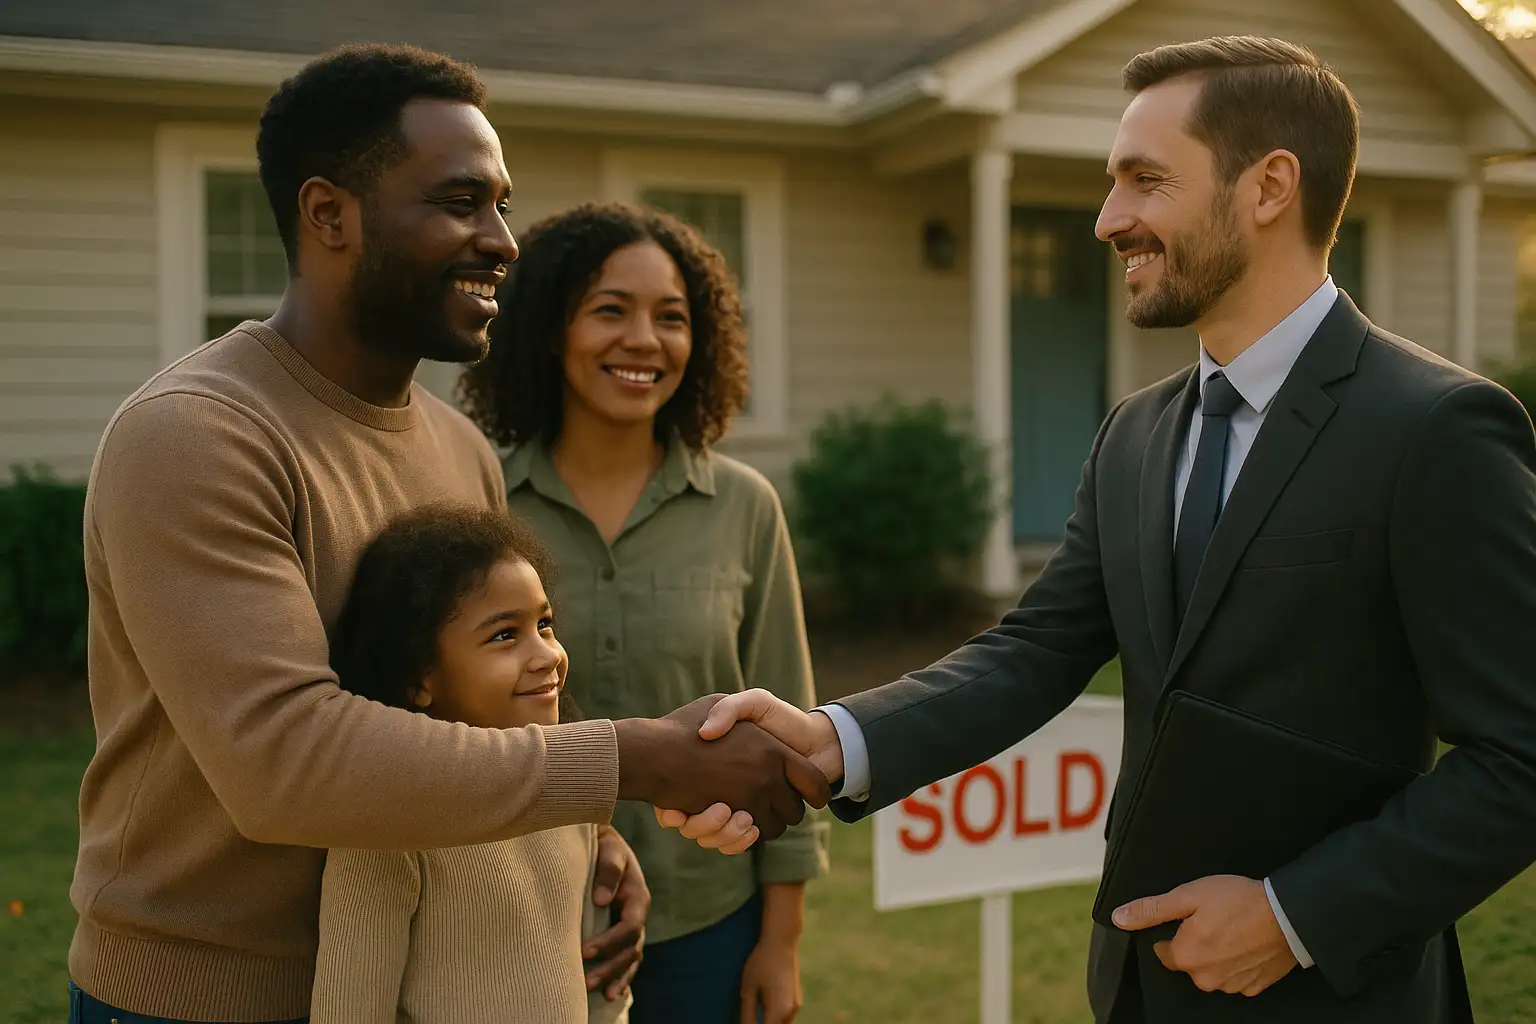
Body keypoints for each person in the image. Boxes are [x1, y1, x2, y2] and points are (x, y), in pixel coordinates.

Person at [666, 35, 1536, 1024]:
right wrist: (834, 738)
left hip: (1342, 995)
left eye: (1144, 180)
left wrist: (1294, 914)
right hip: (1138, 988)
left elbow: (1520, 756)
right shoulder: (1135, 433)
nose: (1107, 219)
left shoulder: (1434, 429)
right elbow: (1036, 649)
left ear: (1270, 186)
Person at [68, 44, 826, 1024]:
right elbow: (283, 763)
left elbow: (484, 715)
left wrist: (585, 840)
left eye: (502, 204)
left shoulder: (462, 453)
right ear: (329, 214)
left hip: (417, 985)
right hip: (204, 996)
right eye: (460, 202)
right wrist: (631, 761)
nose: (503, 239)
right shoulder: (196, 436)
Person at [459, 201, 828, 1024]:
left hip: (709, 923)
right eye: (610, 311)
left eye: (671, 318)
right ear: (553, 329)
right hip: (527, 915)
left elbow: (789, 734)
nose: (644, 341)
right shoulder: (482, 503)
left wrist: (781, 941)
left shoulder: (744, 507)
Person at [311, 503, 637, 1023]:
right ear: (420, 678)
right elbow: (349, 1009)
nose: (548, 654)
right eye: (504, 635)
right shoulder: (385, 823)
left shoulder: (570, 791)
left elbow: (600, 989)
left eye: (545, 624)